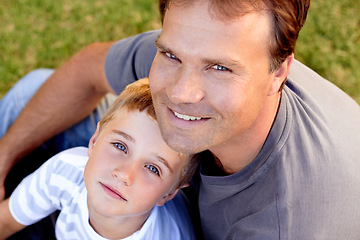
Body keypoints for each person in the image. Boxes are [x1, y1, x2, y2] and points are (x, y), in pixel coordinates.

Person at [1, 0, 360, 239]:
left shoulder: (289, 223)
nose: (181, 92)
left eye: (219, 67)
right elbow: (87, 71)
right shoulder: (198, 36)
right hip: (131, 201)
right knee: (31, 93)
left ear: (279, 71)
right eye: (171, 54)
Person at [0, 78, 198, 240]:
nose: (123, 174)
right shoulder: (65, 171)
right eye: (120, 146)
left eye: (153, 168)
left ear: (169, 194)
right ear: (94, 140)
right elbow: (5, 221)